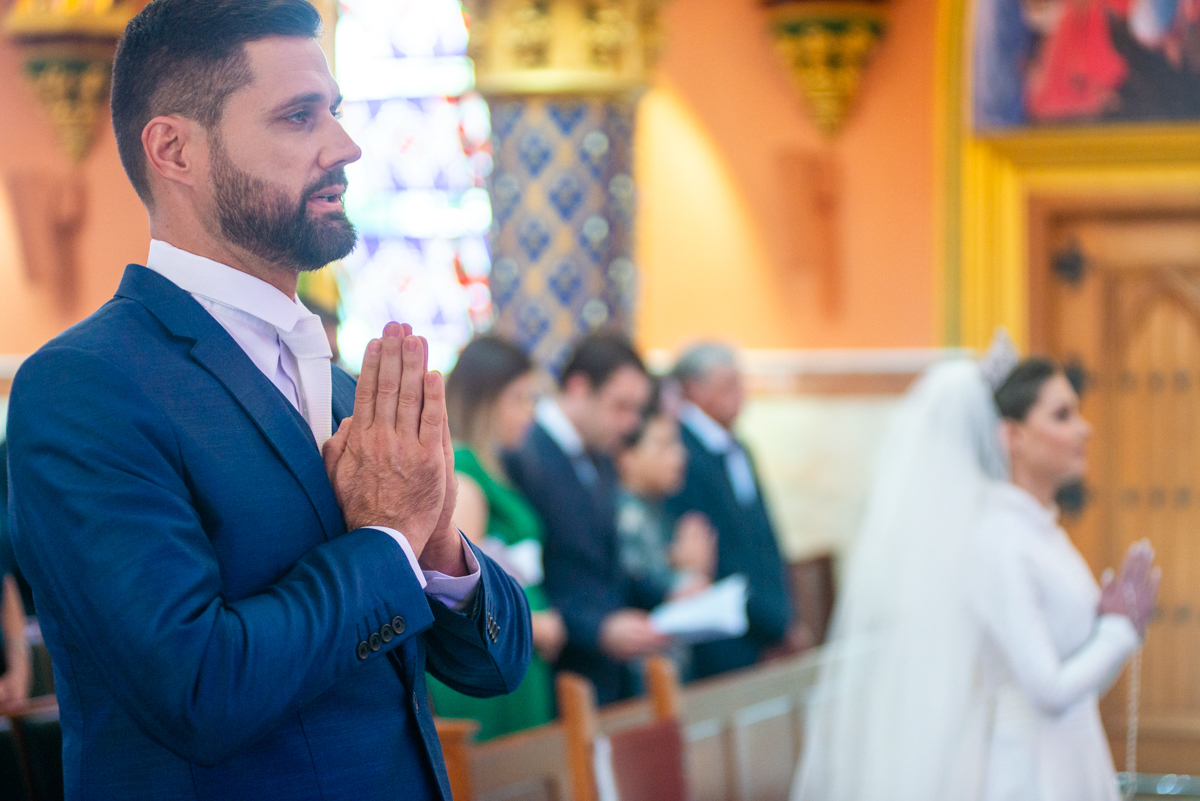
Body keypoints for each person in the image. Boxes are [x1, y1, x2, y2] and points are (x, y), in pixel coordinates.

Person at [5, 1, 530, 798]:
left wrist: (437, 541)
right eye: (297, 117)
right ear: (174, 148)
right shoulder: (85, 387)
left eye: (336, 113)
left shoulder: (349, 385)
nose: (346, 146)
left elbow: (495, 661)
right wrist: (387, 539)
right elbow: (197, 689)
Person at [792, 349, 1159, 801]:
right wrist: (1118, 631)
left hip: (1072, 753)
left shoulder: (1041, 531)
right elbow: (1046, 689)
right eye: (1062, 415)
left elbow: (1079, 684)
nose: (1085, 428)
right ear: (1012, 435)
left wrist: (1107, 631)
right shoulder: (998, 541)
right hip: (1029, 770)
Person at [505, 333, 668, 704]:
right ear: (578, 388)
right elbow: (529, 571)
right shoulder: (527, 454)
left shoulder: (601, 455)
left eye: (636, 410)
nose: (630, 424)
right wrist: (596, 630)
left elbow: (605, 564)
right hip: (560, 672)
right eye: (620, 407)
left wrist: (669, 594)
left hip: (608, 672)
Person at [426, 336, 564, 740]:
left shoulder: (500, 466)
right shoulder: (467, 477)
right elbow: (456, 592)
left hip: (516, 655)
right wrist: (534, 625)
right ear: (484, 399)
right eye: (520, 399)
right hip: (493, 664)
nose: (530, 414)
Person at [666, 343, 792, 678]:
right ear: (695, 388)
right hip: (726, 627)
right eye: (728, 384)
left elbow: (763, 535)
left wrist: (783, 615)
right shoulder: (683, 453)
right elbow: (717, 548)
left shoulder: (739, 447)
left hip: (762, 616)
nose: (740, 394)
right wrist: (767, 618)